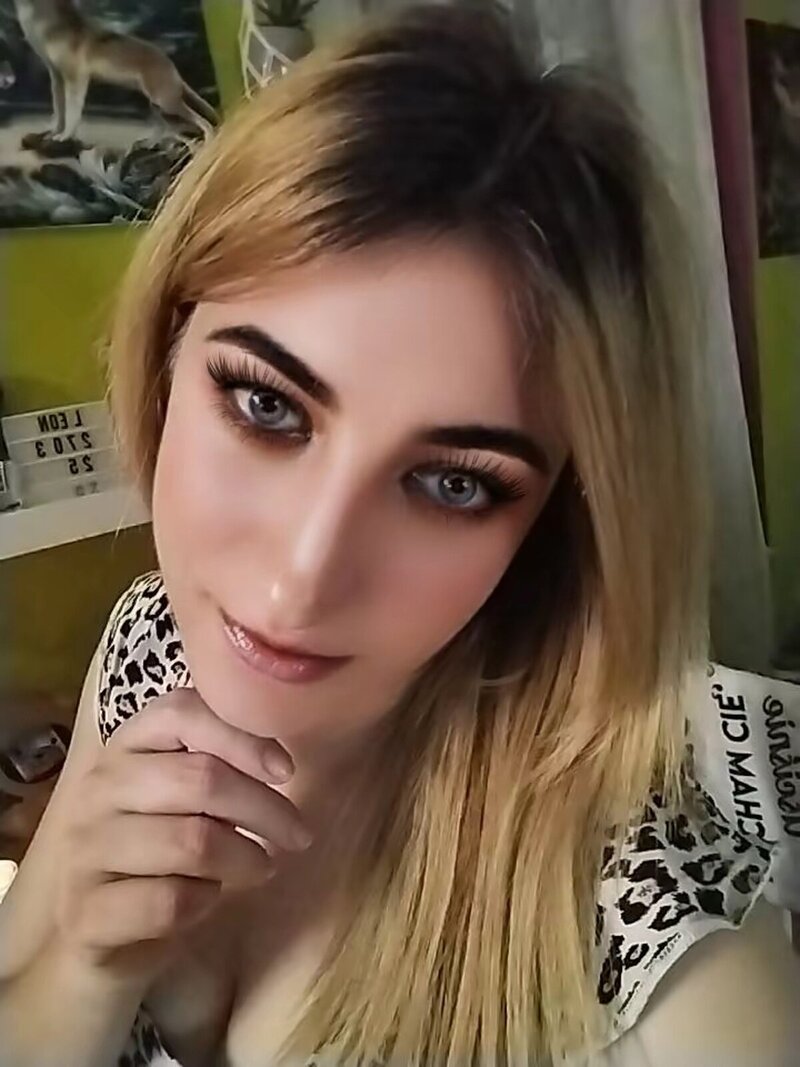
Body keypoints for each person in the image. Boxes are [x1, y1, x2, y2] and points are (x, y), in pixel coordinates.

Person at [1, 4, 798, 1065]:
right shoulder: (151, 640)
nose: (297, 585)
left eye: (453, 484)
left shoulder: (679, 992)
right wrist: (82, 973)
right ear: (165, 355)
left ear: (557, 525)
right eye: (266, 406)